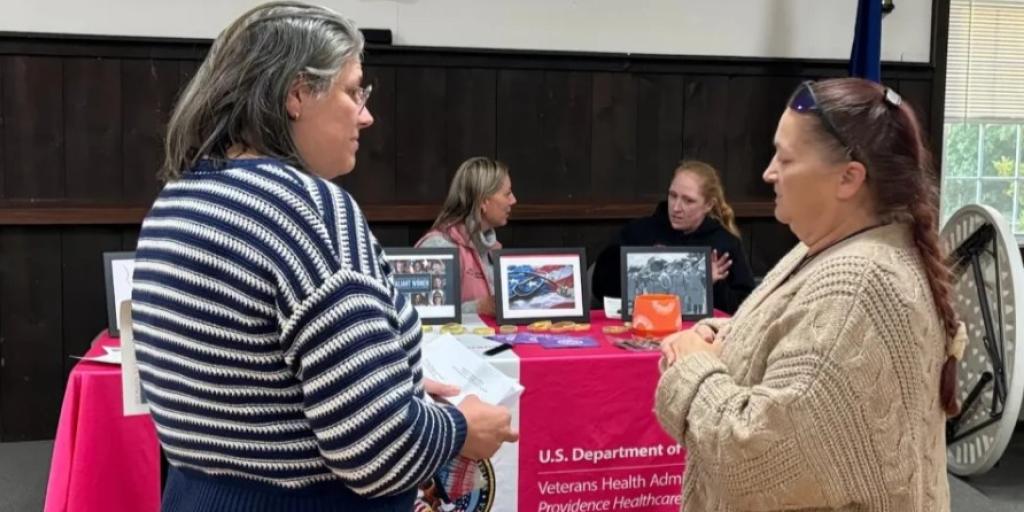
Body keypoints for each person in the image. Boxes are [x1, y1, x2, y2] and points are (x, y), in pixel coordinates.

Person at [130, 3, 516, 511]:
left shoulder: (178, 199)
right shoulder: (306, 207)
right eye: (355, 90)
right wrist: (461, 427)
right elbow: (378, 449)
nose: (367, 113)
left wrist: (383, 379)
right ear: (297, 93)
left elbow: (252, 382)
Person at [654, 78, 962, 511]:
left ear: (848, 178)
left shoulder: (859, 283)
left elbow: (756, 459)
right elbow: (799, 344)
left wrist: (691, 368)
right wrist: (719, 335)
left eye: (785, 157)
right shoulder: (840, 248)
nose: (768, 172)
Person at [591, 160, 754, 314]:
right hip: (643, 328)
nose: (676, 207)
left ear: (708, 205)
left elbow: (745, 309)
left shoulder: (725, 243)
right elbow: (601, 289)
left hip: (697, 336)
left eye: (688, 201)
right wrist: (641, 268)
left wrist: (710, 285)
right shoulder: (638, 232)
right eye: (673, 196)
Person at [416, 156, 517, 316]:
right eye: (507, 193)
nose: (513, 200)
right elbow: (422, 315)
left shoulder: (489, 248)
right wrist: (478, 308)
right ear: (484, 201)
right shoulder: (437, 247)